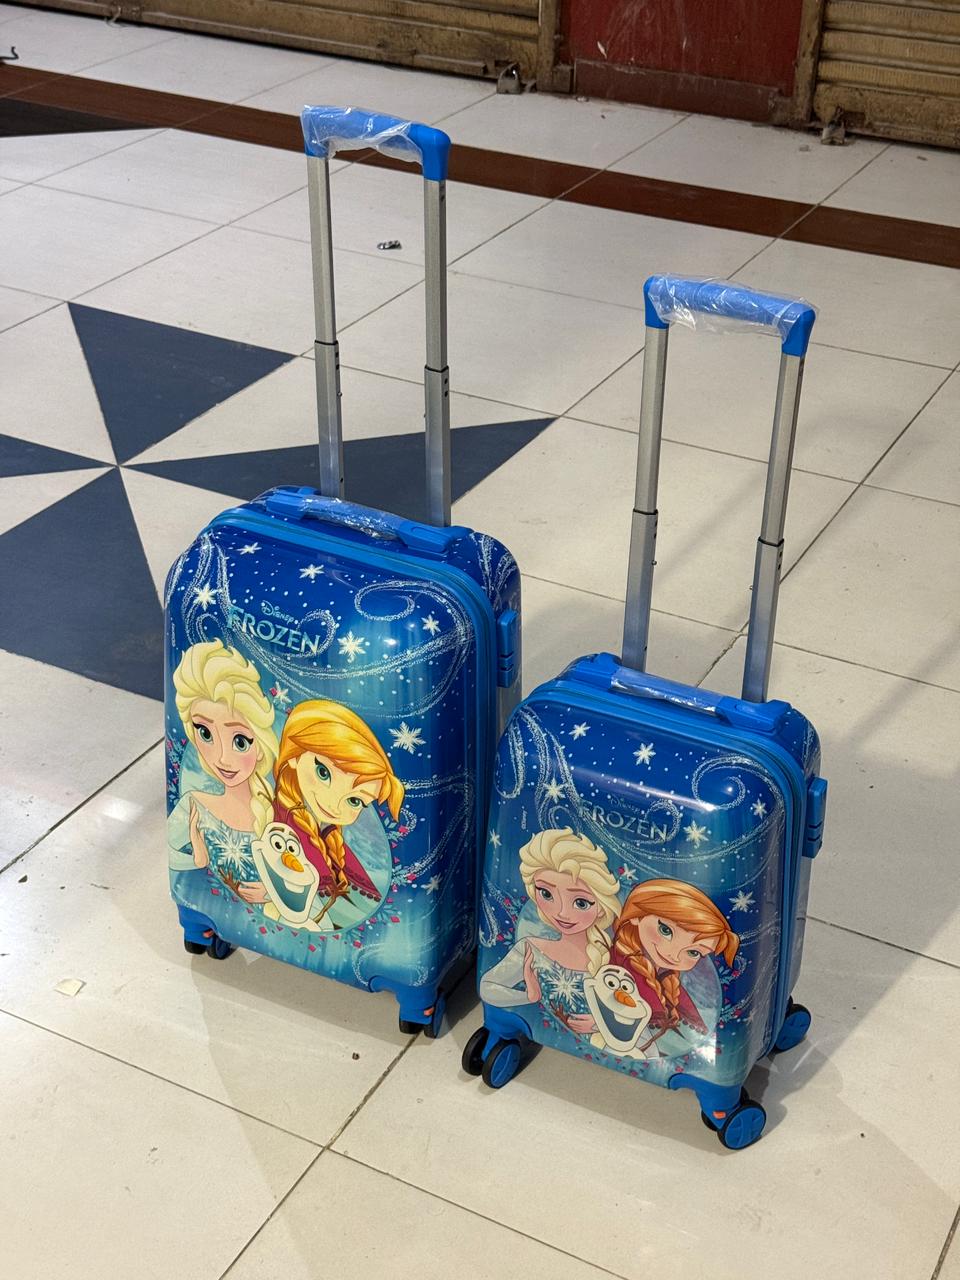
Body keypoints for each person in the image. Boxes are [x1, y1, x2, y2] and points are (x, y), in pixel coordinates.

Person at [479, 828, 622, 1037]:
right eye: (546, 893)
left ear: (601, 906)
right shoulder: (531, 949)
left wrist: (605, 1023)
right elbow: (487, 987)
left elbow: (642, 1015)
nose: (562, 913)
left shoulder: (616, 958)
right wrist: (529, 997)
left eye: (581, 902)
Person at [168, 641, 278, 893]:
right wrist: (197, 860)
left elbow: (311, 884)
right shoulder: (194, 805)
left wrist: (274, 893)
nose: (222, 759)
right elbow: (172, 854)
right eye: (205, 734)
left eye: (240, 741)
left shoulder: (280, 813)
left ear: (261, 745)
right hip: (202, 901)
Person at [609, 878, 739, 1051]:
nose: (674, 955)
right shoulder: (618, 964)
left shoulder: (667, 977)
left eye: (694, 952)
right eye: (665, 930)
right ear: (636, 915)